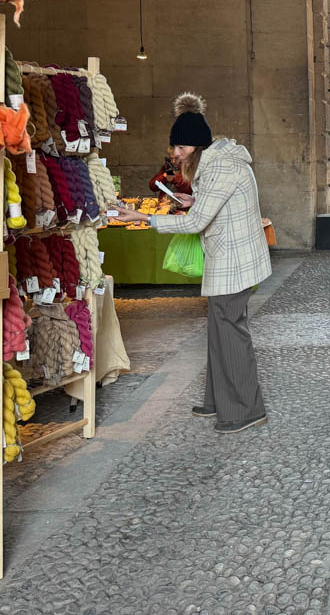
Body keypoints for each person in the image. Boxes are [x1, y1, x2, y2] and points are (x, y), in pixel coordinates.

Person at [114, 92, 271, 435]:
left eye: (181, 148)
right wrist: (194, 198)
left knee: (231, 333)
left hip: (235, 263)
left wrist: (142, 216)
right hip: (230, 259)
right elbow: (214, 205)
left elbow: (194, 223)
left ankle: (247, 409)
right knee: (220, 331)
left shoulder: (222, 165)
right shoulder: (216, 162)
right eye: (175, 148)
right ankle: (219, 400)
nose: (175, 155)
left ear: (197, 146)